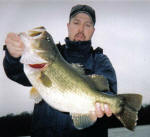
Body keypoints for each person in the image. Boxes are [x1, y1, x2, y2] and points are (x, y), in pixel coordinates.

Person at [3, 4, 117, 137]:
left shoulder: (100, 60)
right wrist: (13, 56)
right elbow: (15, 73)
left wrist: (107, 105)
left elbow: (108, 90)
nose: (81, 29)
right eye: (76, 23)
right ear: (68, 26)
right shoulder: (52, 55)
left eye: (87, 25)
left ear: (93, 30)